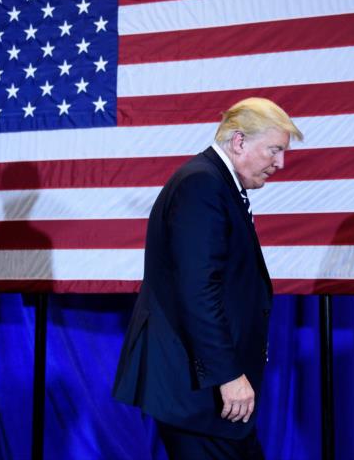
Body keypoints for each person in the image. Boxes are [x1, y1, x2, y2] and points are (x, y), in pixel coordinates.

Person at [113, 97, 303, 459]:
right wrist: (228, 376)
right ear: (239, 141)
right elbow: (198, 290)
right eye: (275, 150)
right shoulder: (202, 185)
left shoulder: (218, 184)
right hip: (199, 392)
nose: (280, 163)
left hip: (206, 394)